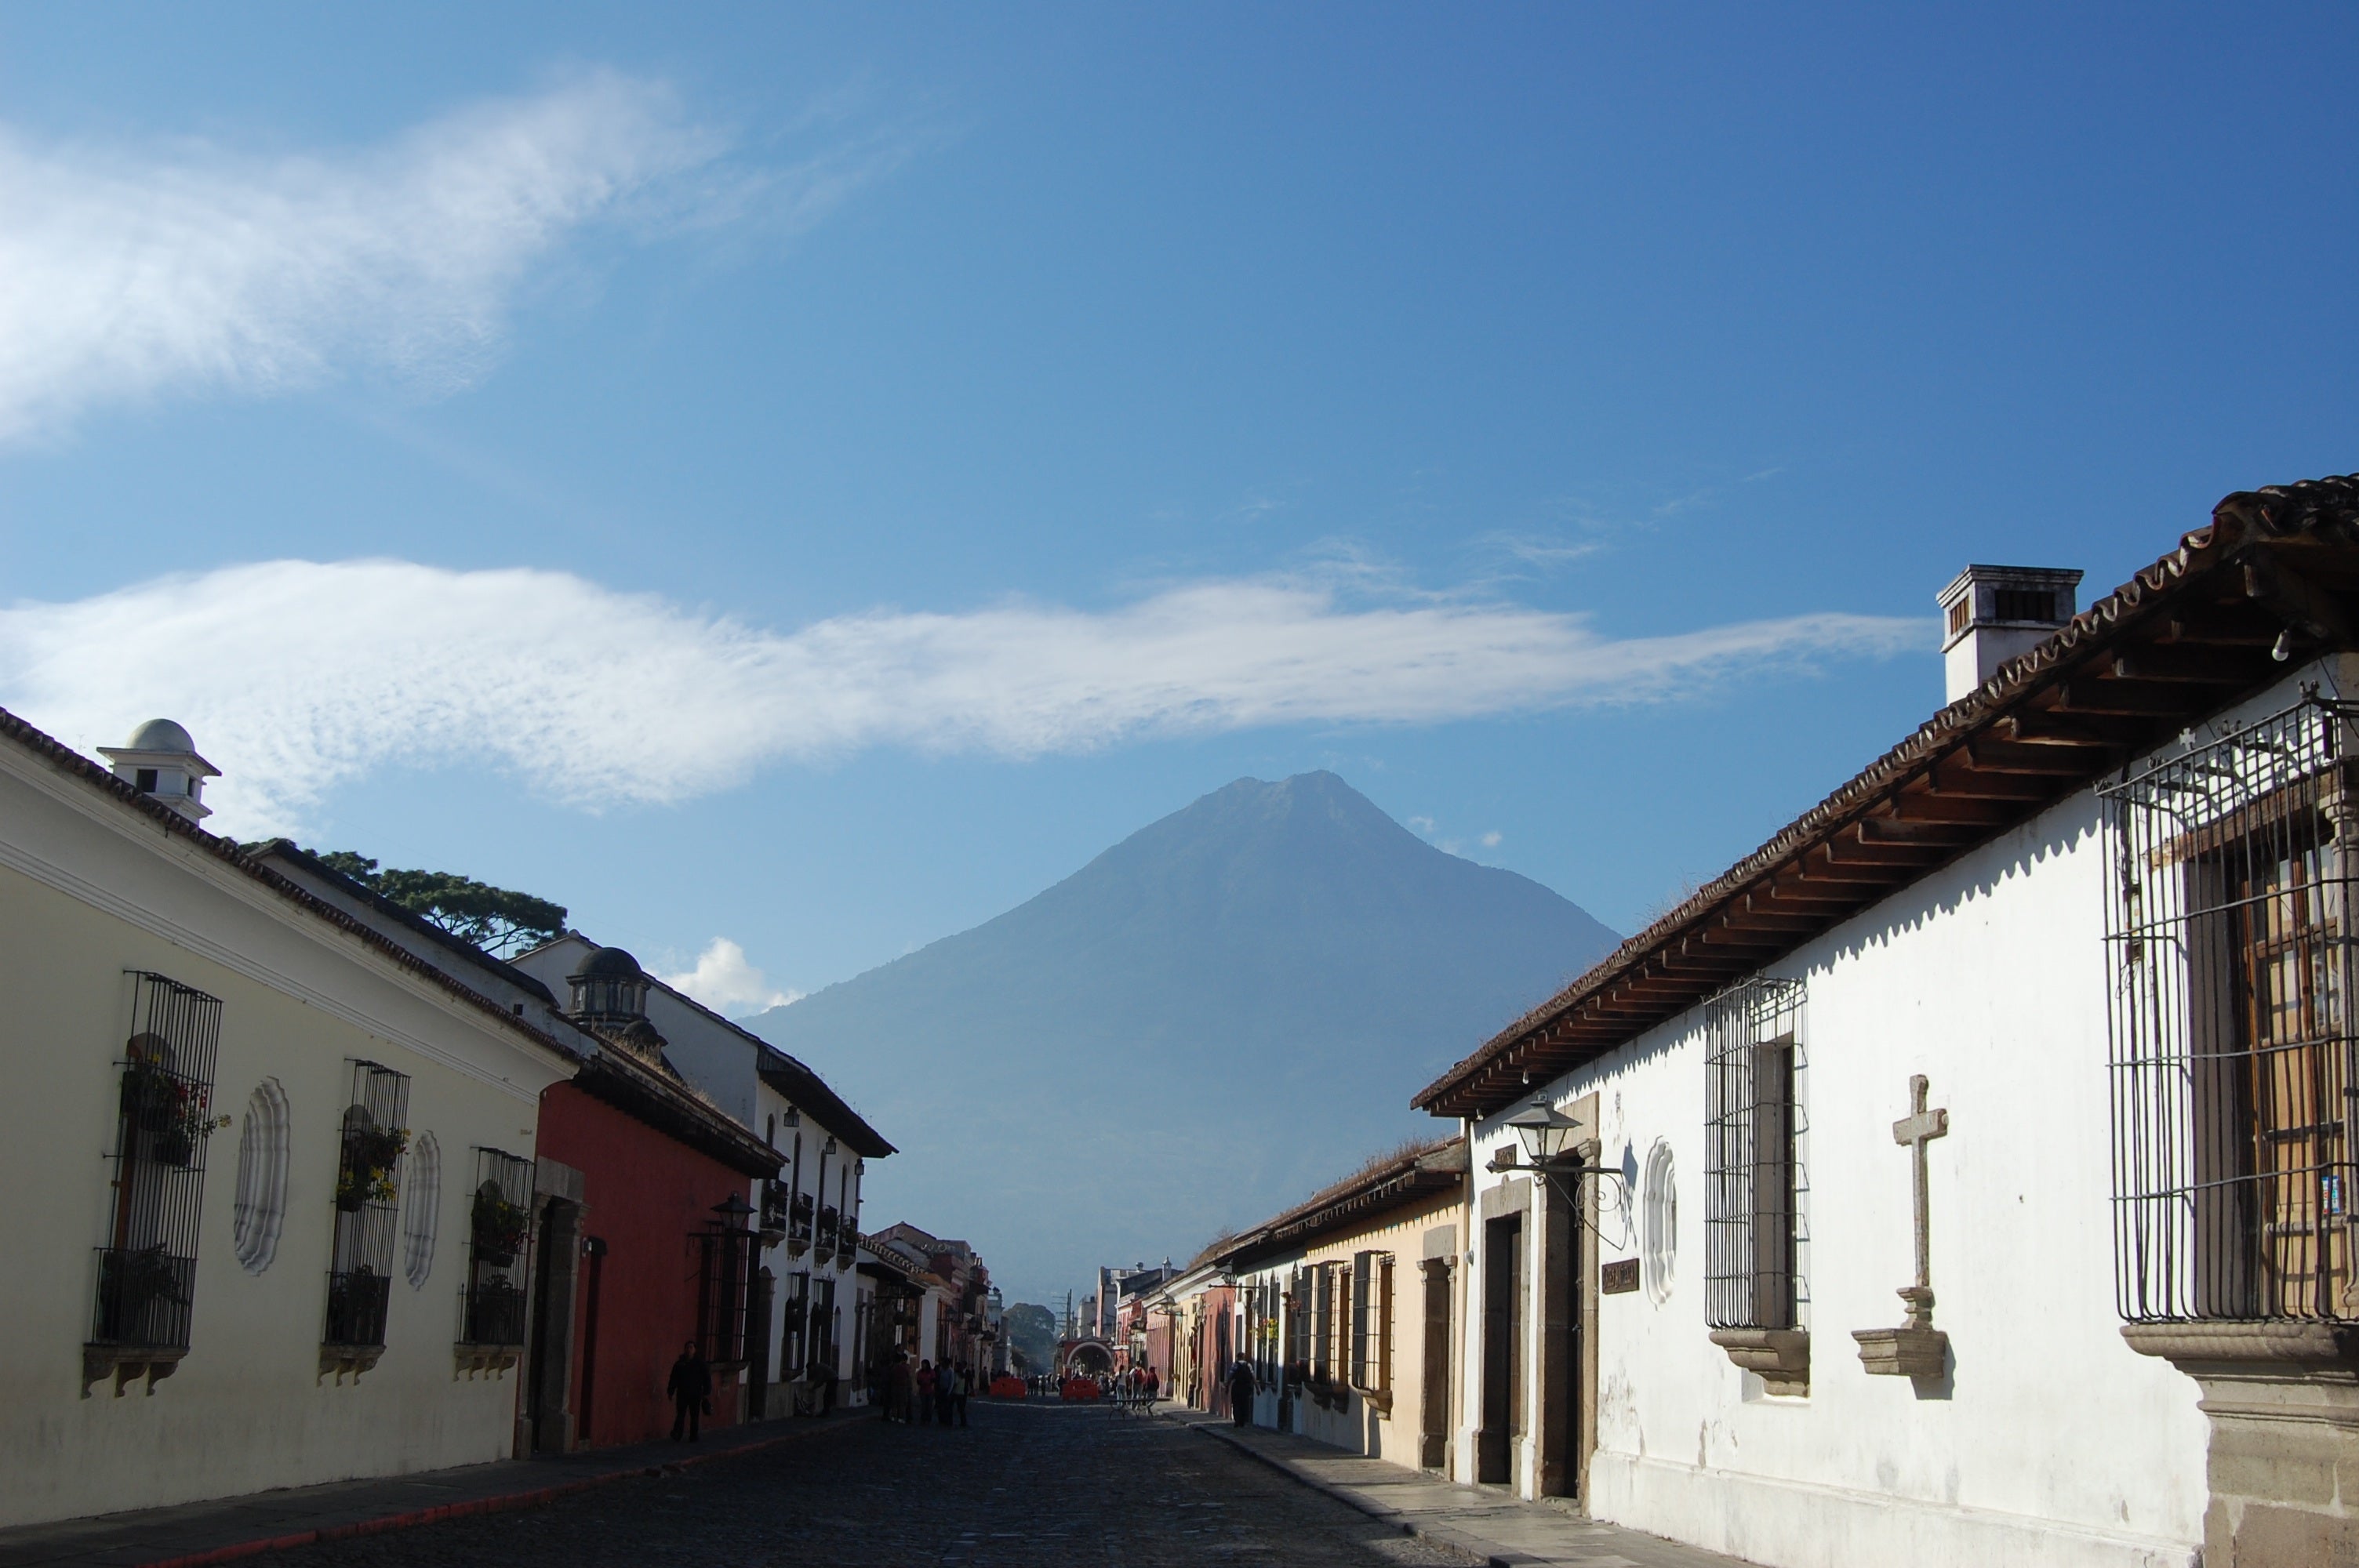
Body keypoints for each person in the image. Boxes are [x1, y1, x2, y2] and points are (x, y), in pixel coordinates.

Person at [667, 1340, 712, 1443]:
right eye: (687, 1347)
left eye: (691, 1347)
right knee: (680, 1414)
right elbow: (673, 1378)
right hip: (682, 1393)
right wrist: (670, 1391)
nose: (689, 1350)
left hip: (695, 1394)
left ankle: (694, 1436)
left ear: (695, 1350)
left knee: (694, 1416)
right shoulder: (679, 1364)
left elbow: (706, 1378)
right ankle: (678, 1433)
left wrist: (706, 1392)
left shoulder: (700, 1364)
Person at [1227, 1356, 1256, 1428]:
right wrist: (1257, 1388)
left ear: (1237, 1358)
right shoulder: (1248, 1365)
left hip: (1236, 1387)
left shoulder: (1235, 1365)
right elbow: (1253, 1377)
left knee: (1236, 1404)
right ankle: (1242, 1421)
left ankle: (1237, 1420)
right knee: (1244, 1404)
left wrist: (1227, 1387)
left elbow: (1230, 1376)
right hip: (1245, 1387)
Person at [884, 1352, 911, 1422]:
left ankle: (893, 1416)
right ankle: (900, 1418)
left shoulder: (893, 1368)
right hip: (903, 1387)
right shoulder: (905, 1368)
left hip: (894, 1386)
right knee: (902, 1403)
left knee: (894, 1403)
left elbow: (890, 1377)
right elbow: (908, 1377)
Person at [916, 1359, 937, 1425]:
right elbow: (918, 1381)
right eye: (922, 1364)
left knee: (929, 1406)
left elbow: (933, 1380)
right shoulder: (920, 1372)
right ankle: (923, 1419)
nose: (922, 1365)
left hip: (930, 1391)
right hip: (923, 1391)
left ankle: (928, 1419)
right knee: (923, 1406)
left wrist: (929, 1383)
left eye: (923, 1364)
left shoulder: (931, 1372)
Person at [952, 1360, 971, 1427]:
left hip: (955, 1392)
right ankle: (963, 1422)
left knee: (950, 1407)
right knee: (961, 1409)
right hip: (961, 1393)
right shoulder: (963, 1375)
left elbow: (955, 1383)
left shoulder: (957, 1375)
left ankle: (949, 1421)